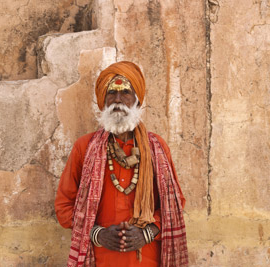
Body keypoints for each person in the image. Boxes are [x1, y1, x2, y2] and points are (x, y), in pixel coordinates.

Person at [55, 61, 188, 267]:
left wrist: (147, 233)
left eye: (125, 92)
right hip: (100, 259)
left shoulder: (157, 148)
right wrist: (98, 234)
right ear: (103, 101)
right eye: (111, 93)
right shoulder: (84, 147)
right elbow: (64, 207)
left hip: (148, 259)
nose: (118, 100)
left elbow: (175, 205)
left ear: (137, 100)